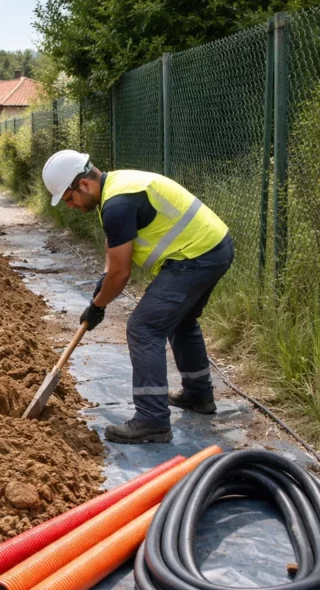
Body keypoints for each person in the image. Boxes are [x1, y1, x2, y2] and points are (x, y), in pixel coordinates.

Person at [42, 150, 234, 444]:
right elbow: (114, 251)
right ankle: (198, 395)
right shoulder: (115, 188)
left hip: (196, 257)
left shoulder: (117, 203)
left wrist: (97, 305)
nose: (70, 206)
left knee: (143, 328)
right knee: (181, 321)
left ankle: (152, 421)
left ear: (83, 185)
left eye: (69, 199)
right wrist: (103, 282)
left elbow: (121, 274)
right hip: (212, 247)